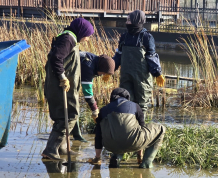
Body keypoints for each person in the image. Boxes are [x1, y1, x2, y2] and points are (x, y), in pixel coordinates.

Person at [42, 18, 94, 160]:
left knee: (68, 115)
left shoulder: (70, 37)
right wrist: (62, 77)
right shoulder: (68, 39)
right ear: (81, 31)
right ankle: (50, 150)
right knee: (68, 116)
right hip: (60, 87)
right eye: (88, 35)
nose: (88, 39)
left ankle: (62, 148)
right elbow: (56, 58)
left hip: (64, 87)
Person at [89, 88, 166, 168]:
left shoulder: (103, 110)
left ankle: (116, 158)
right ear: (127, 97)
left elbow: (98, 135)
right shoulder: (135, 106)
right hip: (133, 141)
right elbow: (141, 129)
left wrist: (97, 158)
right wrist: (140, 155)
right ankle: (146, 164)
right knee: (161, 129)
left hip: (110, 145)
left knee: (118, 134)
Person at [113, 10, 165, 112]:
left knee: (141, 104)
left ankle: (141, 126)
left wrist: (157, 73)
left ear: (136, 20)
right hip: (126, 76)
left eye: (129, 20)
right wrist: (110, 69)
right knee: (125, 101)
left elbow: (151, 56)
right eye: (127, 20)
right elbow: (118, 55)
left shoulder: (146, 37)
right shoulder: (124, 37)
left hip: (142, 78)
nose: (126, 22)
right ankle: (129, 126)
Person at [71, 52, 116, 142]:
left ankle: (75, 135)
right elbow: (87, 92)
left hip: (70, 78)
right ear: (100, 68)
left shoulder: (94, 62)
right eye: (103, 73)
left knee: (73, 108)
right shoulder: (88, 65)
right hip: (61, 78)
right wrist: (95, 109)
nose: (101, 76)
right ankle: (72, 136)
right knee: (72, 108)